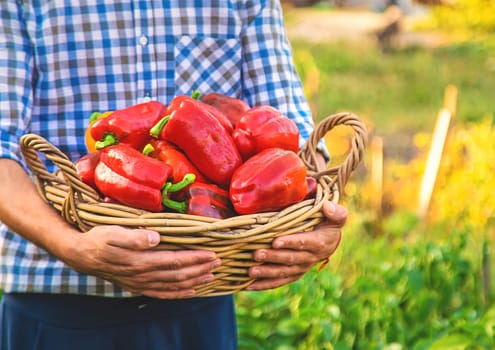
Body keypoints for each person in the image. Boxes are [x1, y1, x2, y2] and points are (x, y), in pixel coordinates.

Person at [0, 1, 346, 349]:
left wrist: (314, 215)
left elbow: (292, 137)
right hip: (57, 301)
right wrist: (72, 245)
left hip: (200, 298)